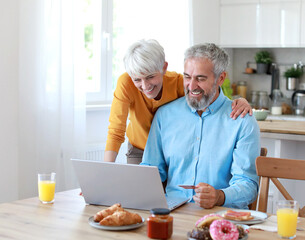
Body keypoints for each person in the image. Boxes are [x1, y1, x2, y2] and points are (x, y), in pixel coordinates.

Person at [141, 43, 260, 209]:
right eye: (187, 77)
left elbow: (248, 185)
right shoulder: (164, 115)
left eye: (200, 78)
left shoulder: (241, 120)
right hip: (173, 214)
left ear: (220, 78)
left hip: (221, 217)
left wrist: (219, 196)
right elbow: (150, 171)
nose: (191, 86)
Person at [104, 39, 253, 164]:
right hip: (139, 149)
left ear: (164, 68)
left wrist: (238, 101)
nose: (145, 86)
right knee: (137, 194)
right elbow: (116, 130)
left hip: (172, 149)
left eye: (150, 77)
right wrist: (105, 172)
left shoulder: (180, 82)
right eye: (137, 79)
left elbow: (210, 96)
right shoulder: (125, 83)